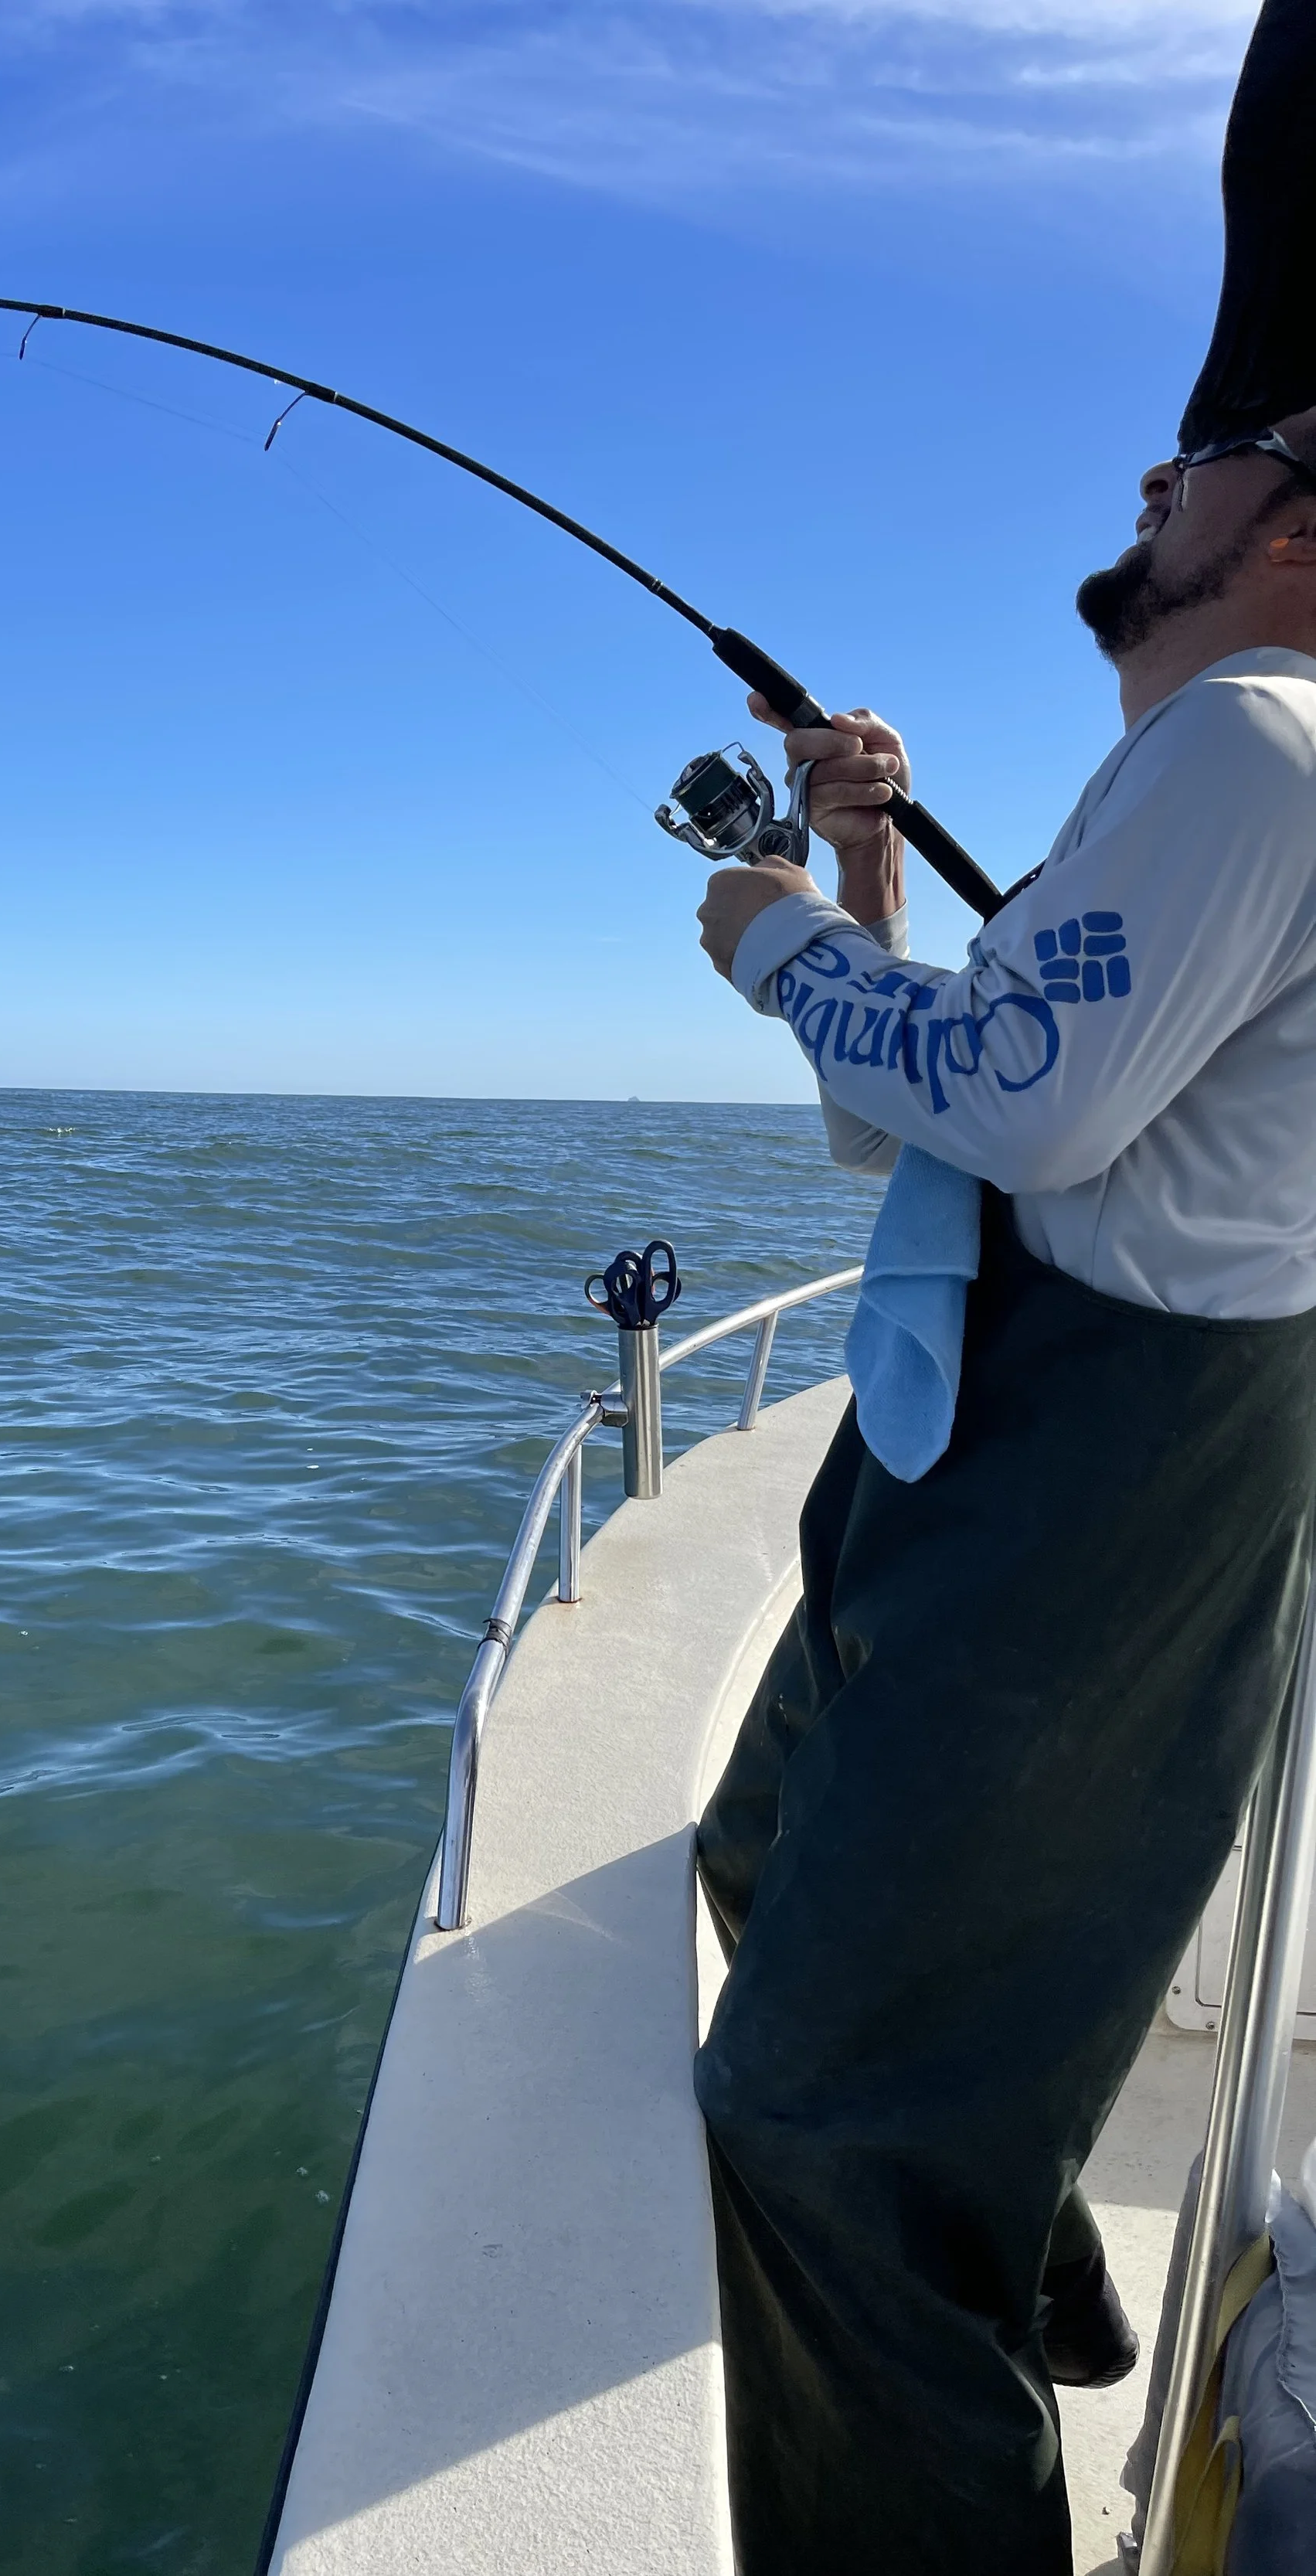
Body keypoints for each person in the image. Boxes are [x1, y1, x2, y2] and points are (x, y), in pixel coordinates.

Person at [685, 7, 1316, 2563]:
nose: (1155, 469)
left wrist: (744, 937)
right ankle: (1021, 2219)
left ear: (1294, 527)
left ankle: (955, 2271)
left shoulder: (1261, 745)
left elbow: (1023, 1107)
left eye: (1211, 453)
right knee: (757, 1845)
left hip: (1094, 1484)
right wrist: (860, 868)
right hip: (985, 1440)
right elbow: (931, 1092)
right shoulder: (1188, 766)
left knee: (813, 2144)